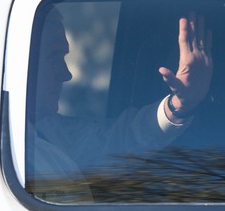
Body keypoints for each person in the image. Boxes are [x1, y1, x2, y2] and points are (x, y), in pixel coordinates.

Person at [25, 5, 213, 198]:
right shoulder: (0, 150)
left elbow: (121, 139)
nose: (66, 74)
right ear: (21, 62)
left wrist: (179, 105)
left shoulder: (49, 131)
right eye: (54, 59)